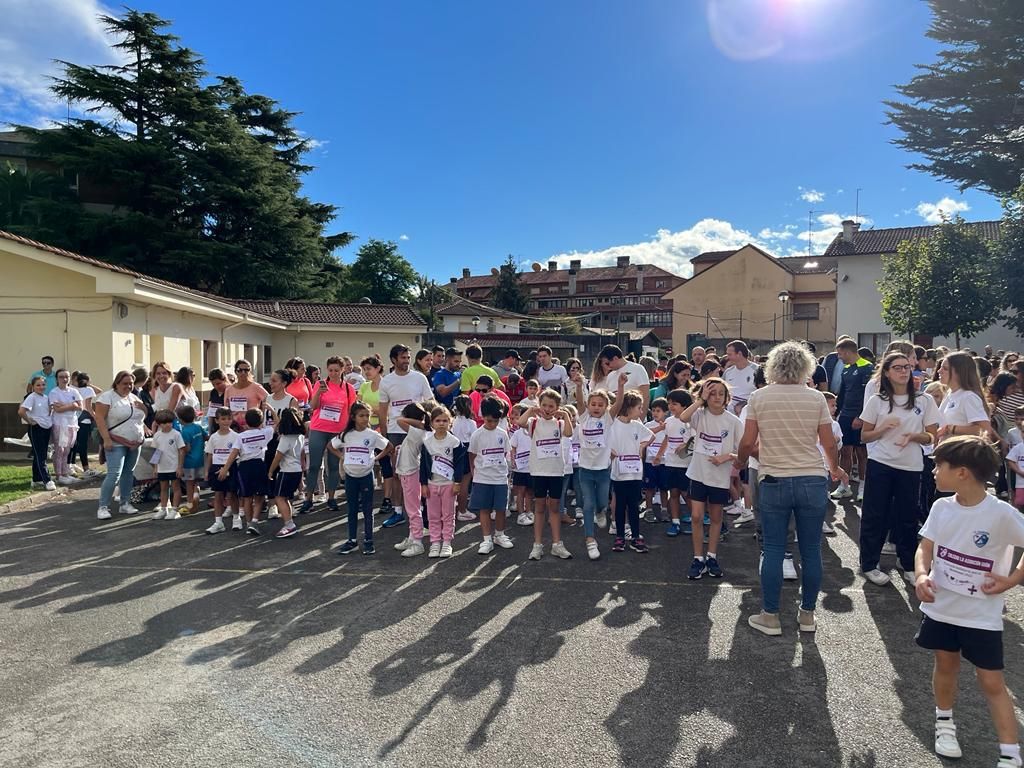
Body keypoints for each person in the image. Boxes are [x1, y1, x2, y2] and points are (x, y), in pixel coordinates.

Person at [914, 436, 1024, 768]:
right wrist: (921, 575)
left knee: (991, 680)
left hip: (981, 616)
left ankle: (1010, 753)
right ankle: (944, 723)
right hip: (942, 609)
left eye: (939, 465)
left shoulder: (1001, 514)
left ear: (962, 472)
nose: (933, 471)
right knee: (945, 665)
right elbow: (926, 547)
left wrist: (1013, 579)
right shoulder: (941, 507)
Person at [738, 342, 846, 636]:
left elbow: (748, 443)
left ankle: (770, 615)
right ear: (806, 367)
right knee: (811, 550)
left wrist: (738, 463)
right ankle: (807, 614)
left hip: (774, 478)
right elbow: (828, 442)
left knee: (773, 549)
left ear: (772, 366)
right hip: (812, 478)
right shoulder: (815, 398)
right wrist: (834, 468)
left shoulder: (759, 397)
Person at [858, 352, 939, 586]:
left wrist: (914, 436)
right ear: (886, 372)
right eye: (897, 367)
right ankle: (869, 564)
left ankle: (908, 563)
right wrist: (883, 428)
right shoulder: (877, 400)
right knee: (875, 515)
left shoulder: (925, 400)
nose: (904, 371)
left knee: (907, 516)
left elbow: (931, 436)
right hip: (881, 463)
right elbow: (864, 436)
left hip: (911, 466)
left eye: (907, 367)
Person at [678, 378, 742, 580]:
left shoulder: (733, 422)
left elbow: (743, 452)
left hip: (719, 477)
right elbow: (683, 417)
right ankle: (698, 558)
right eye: (712, 393)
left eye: (720, 394)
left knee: (716, 518)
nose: (716, 397)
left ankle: (711, 557)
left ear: (726, 398)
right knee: (696, 516)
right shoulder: (699, 414)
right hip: (698, 473)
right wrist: (700, 399)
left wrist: (728, 456)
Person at [378, 344, 435, 527]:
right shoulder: (386, 381)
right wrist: (385, 437)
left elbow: (431, 402)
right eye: (403, 357)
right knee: (397, 473)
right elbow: (382, 411)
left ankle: (424, 510)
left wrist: (431, 426)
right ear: (393, 360)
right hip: (395, 431)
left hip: (419, 431)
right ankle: (397, 511)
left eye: (408, 357)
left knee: (423, 471)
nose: (406, 361)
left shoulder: (419, 378)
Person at [331, 402, 394, 555]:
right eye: (361, 416)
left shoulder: (372, 435)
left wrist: (376, 458)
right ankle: (352, 540)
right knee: (352, 509)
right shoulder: (346, 434)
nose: (365, 419)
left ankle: (368, 540)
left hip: (366, 476)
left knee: (367, 509)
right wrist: (342, 456)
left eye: (367, 415)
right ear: (353, 417)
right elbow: (331, 445)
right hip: (351, 477)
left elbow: (389, 446)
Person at [519, 389, 575, 560]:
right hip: (539, 471)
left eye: (551, 406)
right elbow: (521, 422)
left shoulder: (559, 423)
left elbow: (569, 433)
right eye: (544, 405)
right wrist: (531, 410)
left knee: (555, 507)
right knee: (540, 507)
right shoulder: (534, 422)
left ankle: (557, 544)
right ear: (539, 405)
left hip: (556, 471)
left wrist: (565, 415)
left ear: (557, 407)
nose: (547, 409)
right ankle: (537, 544)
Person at [300, 357, 357, 514]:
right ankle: (308, 499)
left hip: (337, 431)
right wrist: (319, 392)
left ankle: (331, 498)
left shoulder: (348, 389)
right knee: (314, 465)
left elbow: (352, 410)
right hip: (319, 428)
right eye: (330, 370)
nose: (333, 373)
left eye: (336, 370)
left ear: (342, 370)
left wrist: (349, 430)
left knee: (333, 466)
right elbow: (312, 406)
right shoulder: (320, 384)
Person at [94, 371, 149, 519]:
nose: (128, 386)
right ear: (117, 383)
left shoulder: (134, 397)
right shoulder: (107, 397)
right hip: (116, 441)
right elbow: (99, 418)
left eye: (131, 383)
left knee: (128, 473)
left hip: (135, 442)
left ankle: (125, 503)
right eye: (125, 383)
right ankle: (103, 507)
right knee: (114, 474)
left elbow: (141, 418)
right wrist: (106, 439)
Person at [609, 388, 656, 554]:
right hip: (619, 473)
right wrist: (610, 451)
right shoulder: (613, 424)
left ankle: (636, 536)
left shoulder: (637, 425)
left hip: (635, 473)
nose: (642, 411)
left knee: (634, 505)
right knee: (620, 505)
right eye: (639, 408)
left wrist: (642, 446)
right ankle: (620, 536)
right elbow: (604, 440)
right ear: (629, 407)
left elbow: (651, 436)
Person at [469, 396, 515, 554]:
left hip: (500, 477)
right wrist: (475, 473)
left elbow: (507, 453)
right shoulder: (477, 435)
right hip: (482, 478)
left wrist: (508, 471)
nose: (493, 424)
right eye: (489, 421)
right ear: (483, 416)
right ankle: (486, 539)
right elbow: (472, 455)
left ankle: (500, 535)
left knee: (501, 509)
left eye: (496, 420)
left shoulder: (502, 434)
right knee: (484, 509)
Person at [832, 338, 874, 502]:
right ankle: (845, 486)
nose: (839, 357)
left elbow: (868, 396)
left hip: (859, 417)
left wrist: (861, 416)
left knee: (861, 453)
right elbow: (843, 393)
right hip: (845, 416)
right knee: (845, 451)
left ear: (849, 352)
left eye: (840, 353)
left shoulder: (867, 368)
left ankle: (863, 488)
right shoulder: (846, 369)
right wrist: (837, 412)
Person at [420, 405, 464, 558]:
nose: (441, 423)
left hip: (448, 484)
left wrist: (457, 482)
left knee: (448, 514)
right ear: (432, 423)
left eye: (445, 420)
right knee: (433, 515)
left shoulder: (455, 442)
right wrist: (423, 484)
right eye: (438, 420)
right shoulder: (427, 442)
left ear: (450, 422)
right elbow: (423, 465)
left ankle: (447, 542)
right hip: (432, 485)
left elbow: (460, 464)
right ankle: (435, 542)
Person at [358, 356, 398, 518]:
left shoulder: (386, 384)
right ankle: (364, 496)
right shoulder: (364, 386)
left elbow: (388, 409)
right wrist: (373, 410)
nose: (366, 372)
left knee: (385, 464)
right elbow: (358, 407)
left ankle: (387, 499)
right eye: (364, 369)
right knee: (365, 462)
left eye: (369, 368)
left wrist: (373, 411)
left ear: (378, 369)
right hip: (365, 428)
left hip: (383, 427)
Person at [576, 390, 614, 559]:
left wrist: (620, 387)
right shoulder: (584, 418)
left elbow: (619, 404)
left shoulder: (607, 419)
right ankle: (590, 540)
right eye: (593, 404)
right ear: (588, 406)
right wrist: (578, 385)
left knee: (602, 501)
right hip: (585, 470)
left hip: (603, 470)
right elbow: (579, 401)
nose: (596, 407)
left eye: (600, 405)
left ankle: (601, 511)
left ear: (606, 407)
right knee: (588, 503)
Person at [655, 389, 696, 537]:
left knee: (687, 494)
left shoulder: (690, 422)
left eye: (675, 404)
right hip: (670, 463)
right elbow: (666, 439)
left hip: (685, 464)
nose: (671, 406)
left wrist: (684, 446)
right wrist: (659, 455)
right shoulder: (669, 421)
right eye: (669, 403)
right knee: (673, 493)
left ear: (685, 406)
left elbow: (694, 440)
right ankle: (675, 521)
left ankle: (694, 520)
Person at [393, 403, 432, 557]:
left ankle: (417, 542)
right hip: (406, 471)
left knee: (413, 509)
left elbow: (399, 421)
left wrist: (421, 421)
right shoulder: (418, 431)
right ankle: (412, 537)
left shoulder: (418, 431)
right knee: (411, 508)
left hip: (410, 472)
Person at [267, 407, 306, 538]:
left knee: (278, 497)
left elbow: (278, 456)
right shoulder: (300, 436)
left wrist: (271, 471)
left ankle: (289, 524)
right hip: (296, 470)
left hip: (287, 471)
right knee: (285, 497)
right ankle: (289, 522)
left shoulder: (285, 439)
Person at [936, 351, 991, 443]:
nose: (939, 371)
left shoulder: (969, 397)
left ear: (959, 373)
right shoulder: (950, 394)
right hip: (946, 451)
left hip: (962, 452)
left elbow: (984, 429)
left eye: (945, 368)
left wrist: (951, 428)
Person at [235, 409, 274, 535]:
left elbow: (234, 453)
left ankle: (248, 523)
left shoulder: (240, 436)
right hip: (259, 464)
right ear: (261, 421)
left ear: (246, 421)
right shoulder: (265, 432)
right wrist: (271, 410)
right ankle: (255, 521)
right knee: (259, 495)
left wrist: (225, 468)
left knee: (247, 497)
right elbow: (277, 424)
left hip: (244, 466)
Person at [204, 408, 241, 534]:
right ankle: (218, 522)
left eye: (229, 419)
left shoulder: (236, 436)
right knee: (218, 495)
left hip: (232, 466)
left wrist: (227, 468)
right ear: (217, 420)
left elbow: (239, 454)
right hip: (216, 466)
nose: (226, 422)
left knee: (233, 494)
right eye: (223, 419)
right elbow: (209, 455)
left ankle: (237, 519)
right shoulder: (213, 437)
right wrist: (206, 471)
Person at [149, 409, 186, 520]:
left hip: (174, 466)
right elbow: (156, 452)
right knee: (163, 488)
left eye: (170, 422)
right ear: (159, 424)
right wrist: (155, 468)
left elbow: (182, 450)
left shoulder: (176, 434)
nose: (167, 425)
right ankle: (164, 509)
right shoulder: (157, 436)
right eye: (164, 423)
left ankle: (175, 510)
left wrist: (179, 467)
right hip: (162, 467)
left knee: (176, 488)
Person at [20, 376, 55, 491]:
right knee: (40, 455)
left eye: (43, 385)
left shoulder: (45, 397)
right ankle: (47, 480)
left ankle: (36, 480)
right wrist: (30, 420)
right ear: (33, 386)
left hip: (46, 427)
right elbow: (21, 411)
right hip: (36, 428)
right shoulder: (32, 397)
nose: (41, 387)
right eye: (38, 385)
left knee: (40, 454)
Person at [48, 369, 82, 485]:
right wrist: (72, 405)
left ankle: (66, 472)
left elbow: (80, 407)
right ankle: (59, 475)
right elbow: (57, 409)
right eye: (61, 377)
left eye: (66, 377)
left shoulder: (74, 391)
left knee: (67, 449)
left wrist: (66, 406)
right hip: (59, 423)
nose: (64, 379)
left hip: (72, 423)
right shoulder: (54, 392)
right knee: (60, 449)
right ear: (57, 379)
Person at [600, 344, 651, 412]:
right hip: (615, 418)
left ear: (615, 358)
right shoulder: (610, 375)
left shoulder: (638, 369)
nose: (607, 367)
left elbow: (645, 397)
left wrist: (640, 419)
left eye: (607, 363)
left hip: (634, 417)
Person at [225, 359, 268, 432]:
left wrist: (261, 419)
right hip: (234, 427)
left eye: (246, 370)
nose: (243, 373)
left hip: (251, 427)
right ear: (235, 372)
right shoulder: (229, 390)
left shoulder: (256, 387)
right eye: (240, 370)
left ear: (249, 372)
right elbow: (226, 409)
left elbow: (269, 401)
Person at [177, 405, 205, 517]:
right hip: (200, 460)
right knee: (196, 482)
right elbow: (206, 437)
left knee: (189, 483)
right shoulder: (198, 427)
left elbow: (186, 449)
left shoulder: (184, 431)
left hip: (189, 462)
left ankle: (190, 504)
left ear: (180, 419)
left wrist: (179, 450)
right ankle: (196, 500)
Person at [70, 372, 100, 477]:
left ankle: (70, 465)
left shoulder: (73, 389)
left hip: (74, 418)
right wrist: (95, 416)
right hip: (85, 419)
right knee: (83, 445)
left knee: (74, 443)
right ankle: (86, 469)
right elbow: (88, 406)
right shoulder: (88, 390)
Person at [723, 340, 758, 415]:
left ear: (739, 354)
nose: (727, 358)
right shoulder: (728, 372)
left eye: (730, 354)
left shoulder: (757, 370)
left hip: (749, 415)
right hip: (729, 417)